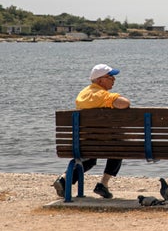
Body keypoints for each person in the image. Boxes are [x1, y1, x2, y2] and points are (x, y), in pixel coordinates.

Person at [52, 64, 131, 199]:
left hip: (85, 142)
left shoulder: (82, 94)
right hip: (105, 142)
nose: (114, 79)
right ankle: (103, 184)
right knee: (119, 146)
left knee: (90, 158)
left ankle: (65, 179)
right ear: (100, 80)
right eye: (110, 77)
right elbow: (125, 103)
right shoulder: (101, 95)